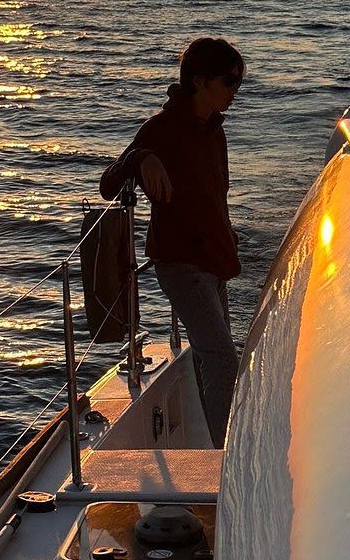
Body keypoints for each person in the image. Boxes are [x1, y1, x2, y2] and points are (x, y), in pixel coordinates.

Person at [99, 37, 245, 447]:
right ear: (199, 81)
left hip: (215, 261)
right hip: (183, 265)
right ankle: (227, 457)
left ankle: (219, 444)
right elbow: (108, 185)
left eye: (238, 81)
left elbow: (217, 196)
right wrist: (139, 157)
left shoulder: (214, 132)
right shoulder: (160, 130)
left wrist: (226, 236)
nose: (236, 90)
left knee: (209, 356)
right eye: (230, 80)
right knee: (222, 359)